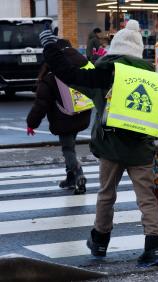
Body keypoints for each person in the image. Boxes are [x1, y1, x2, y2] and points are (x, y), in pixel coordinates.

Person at [39, 20, 158, 267]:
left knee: (107, 194)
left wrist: (50, 47)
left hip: (110, 147)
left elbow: (68, 74)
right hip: (142, 148)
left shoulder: (106, 72)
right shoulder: (153, 77)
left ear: (115, 48)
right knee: (147, 198)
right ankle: (154, 248)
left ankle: (100, 241)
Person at [26, 39, 90, 195]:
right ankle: (70, 178)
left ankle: (78, 174)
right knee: (71, 145)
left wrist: (31, 123)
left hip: (63, 117)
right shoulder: (86, 64)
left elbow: (41, 103)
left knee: (68, 149)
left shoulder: (51, 74)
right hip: (83, 114)